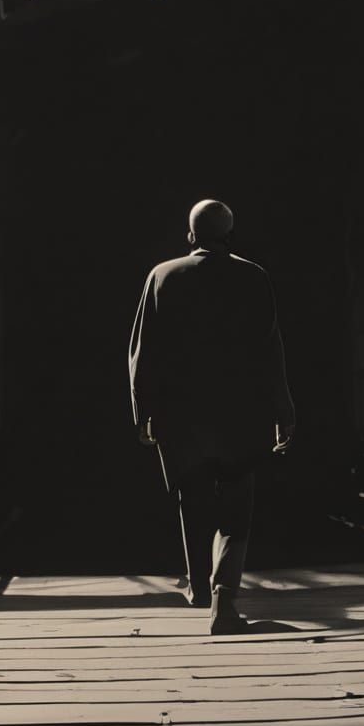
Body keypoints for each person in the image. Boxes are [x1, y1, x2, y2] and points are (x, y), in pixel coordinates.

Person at [128, 199, 296, 634]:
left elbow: (142, 352)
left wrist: (142, 409)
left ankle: (199, 586)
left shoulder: (162, 276)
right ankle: (224, 602)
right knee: (236, 507)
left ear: (190, 235)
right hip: (243, 412)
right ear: (230, 234)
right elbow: (269, 351)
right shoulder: (253, 276)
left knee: (193, 498)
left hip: (181, 413)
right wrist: (283, 411)